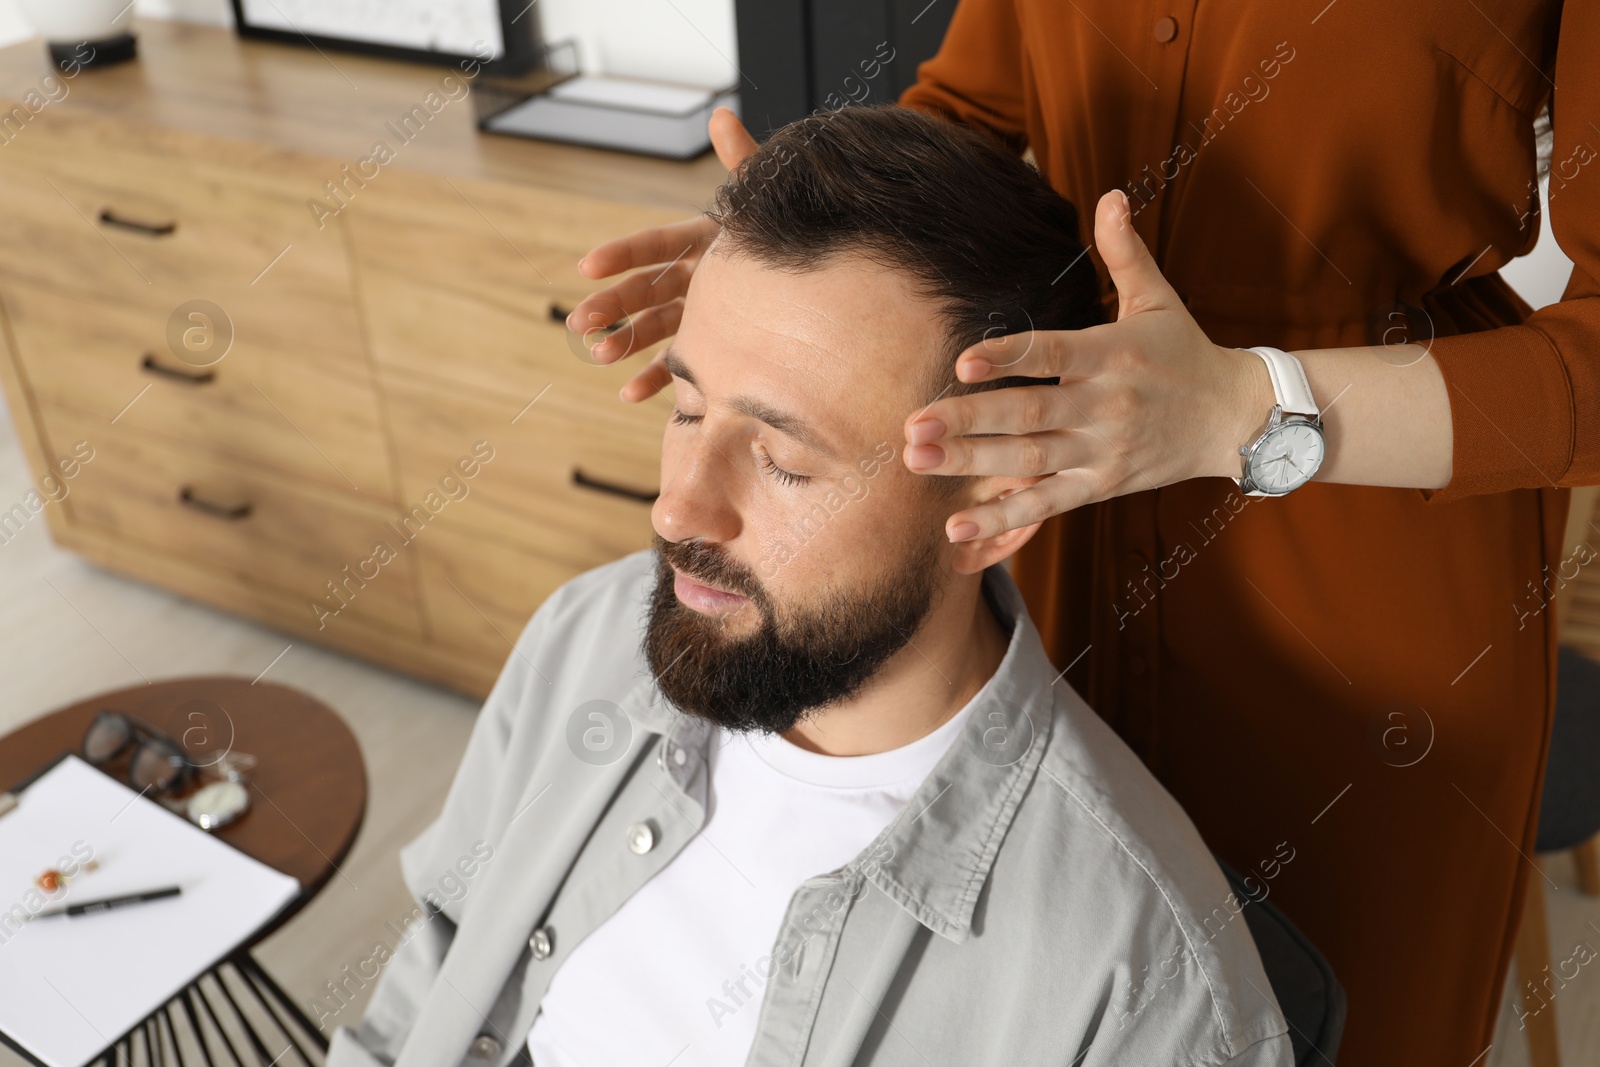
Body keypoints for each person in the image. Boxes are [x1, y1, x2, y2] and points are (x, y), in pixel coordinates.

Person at [567, 5, 1596, 1060]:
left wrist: (1247, 405)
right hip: (1058, 465)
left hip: (1366, 544)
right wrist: (806, 284)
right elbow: (970, 111)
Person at [325, 106, 1295, 1067]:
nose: (677, 512)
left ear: (998, 502)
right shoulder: (583, 634)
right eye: (687, 407)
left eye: (783, 461)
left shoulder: (1143, 989)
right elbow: (446, 957)